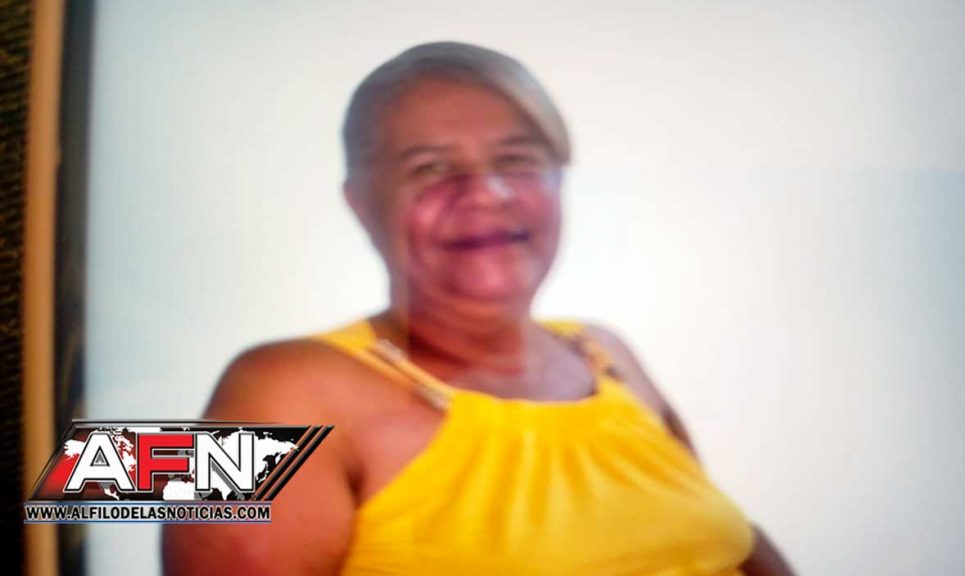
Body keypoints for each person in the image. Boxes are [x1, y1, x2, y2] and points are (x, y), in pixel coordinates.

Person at [163, 41, 795, 575]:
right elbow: (120, 482)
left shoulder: (605, 351)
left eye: (516, 161)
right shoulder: (272, 384)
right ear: (360, 204)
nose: (485, 193)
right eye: (430, 168)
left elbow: (726, 541)